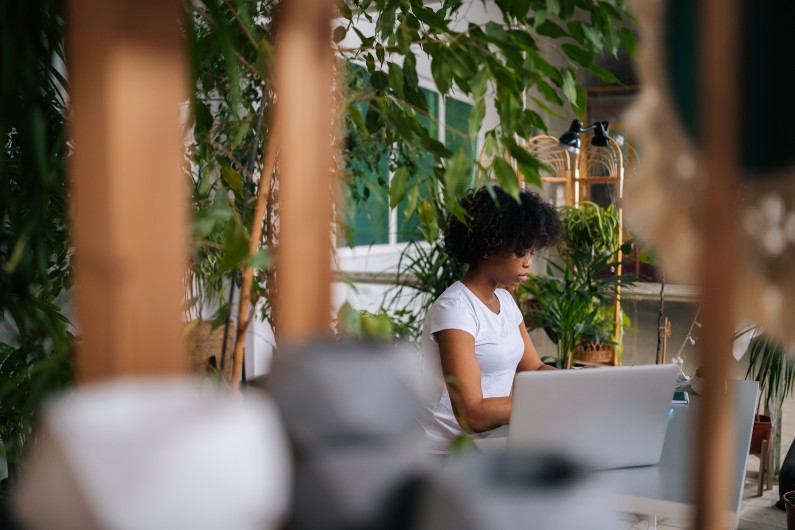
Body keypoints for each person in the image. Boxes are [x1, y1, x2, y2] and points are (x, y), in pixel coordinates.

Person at [419, 186, 563, 453]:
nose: (529, 262)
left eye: (532, 252)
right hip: (445, 455)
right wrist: (553, 400)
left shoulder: (506, 301)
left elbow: (532, 368)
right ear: (489, 245)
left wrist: (576, 383)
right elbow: (472, 414)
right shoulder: (455, 311)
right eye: (521, 251)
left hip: (492, 445)